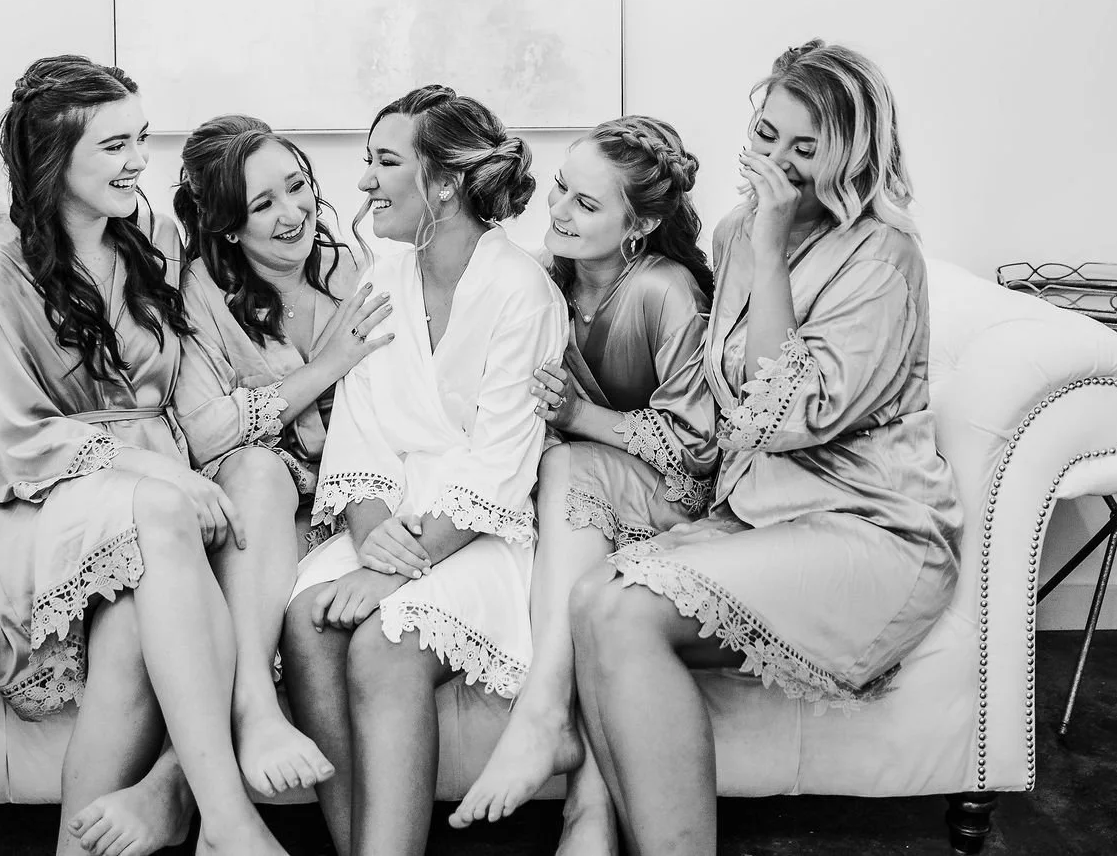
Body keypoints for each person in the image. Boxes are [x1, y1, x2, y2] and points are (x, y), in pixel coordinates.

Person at [568, 42, 962, 856]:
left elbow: (782, 412)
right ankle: (604, 829)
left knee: (629, 612)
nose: (776, 161)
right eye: (767, 133)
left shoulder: (885, 257)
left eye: (804, 148)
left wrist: (775, 245)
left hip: (870, 529)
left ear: (850, 155)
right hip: (762, 513)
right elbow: (725, 395)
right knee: (594, 599)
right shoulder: (735, 228)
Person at [0, 56, 285, 856]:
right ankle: (229, 819)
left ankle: (143, 812)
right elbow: (11, 443)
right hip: (46, 497)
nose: (138, 160)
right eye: (113, 146)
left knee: (153, 604)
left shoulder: (154, 241)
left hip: (162, 482)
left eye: (141, 137)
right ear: (51, 159)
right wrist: (154, 471)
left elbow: (199, 370)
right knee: (164, 512)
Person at [280, 85, 567, 856]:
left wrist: (395, 574)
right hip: (393, 522)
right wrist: (376, 547)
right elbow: (362, 434)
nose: (365, 181)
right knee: (308, 618)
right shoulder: (381, 277)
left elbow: (503, 461)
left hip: (480, 533)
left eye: (383, 161)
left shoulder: (521, 291)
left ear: (442, 181)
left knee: (383, 641)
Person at [450, 116, 718, 853]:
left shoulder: (666, 290)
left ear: (643, 222)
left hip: (671, 498)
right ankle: (588, 812)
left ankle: (543, 713)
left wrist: (583, 415)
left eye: (586, 204)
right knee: (558, 484)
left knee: (567, 462)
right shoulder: (544, 278)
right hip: (575, 509)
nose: (559, 210)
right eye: (561, 189)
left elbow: (697, 449)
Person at [169, 114, 395, 796]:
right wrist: (328, 365)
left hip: (350, 493)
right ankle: (254, 708)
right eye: (261, 204)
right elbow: (206, 432)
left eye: (296, 187)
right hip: (258, 506)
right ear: (229, 226)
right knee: (260, 469)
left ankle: (174, 785)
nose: (292, 212)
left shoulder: (356, 268)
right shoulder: (200, 292)